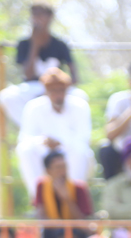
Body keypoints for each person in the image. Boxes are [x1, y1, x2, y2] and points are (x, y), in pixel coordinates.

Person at [0, 1, 80, 127]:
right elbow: (28, 75)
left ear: (50, 17)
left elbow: (74, 77)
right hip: (32, 87)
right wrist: (35, 45)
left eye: (41, 14)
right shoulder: (24, 44)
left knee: (80, 96)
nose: (37, 18)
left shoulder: (60, 44)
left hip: (56, 86)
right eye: (34, 14)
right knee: (6, 96)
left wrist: (56, 90)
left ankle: (61, 128)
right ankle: (32, 129)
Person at [15, 68, 93, 196]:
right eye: (53, 90)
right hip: (44, 152)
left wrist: (60, 143)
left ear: (67, 90)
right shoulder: (33, 107)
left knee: (80, 150)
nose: (58, 95)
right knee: (25, 149)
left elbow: (84, 137)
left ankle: (74, 196)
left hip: (70, 151)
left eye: (61, 90)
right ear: (46, 91)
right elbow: (25, 136)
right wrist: (43, 142)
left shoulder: (80, 106)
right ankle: (38, 198)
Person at [33, 151, 93, 223]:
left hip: (74, 228)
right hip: (51, 227)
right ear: (48, 171)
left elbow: (83, 220)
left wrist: (67, 199)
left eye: (64, 167)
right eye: (58, 167)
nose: (63, 171)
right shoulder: (42, 185)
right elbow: (41, 214)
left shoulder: (79, 187)